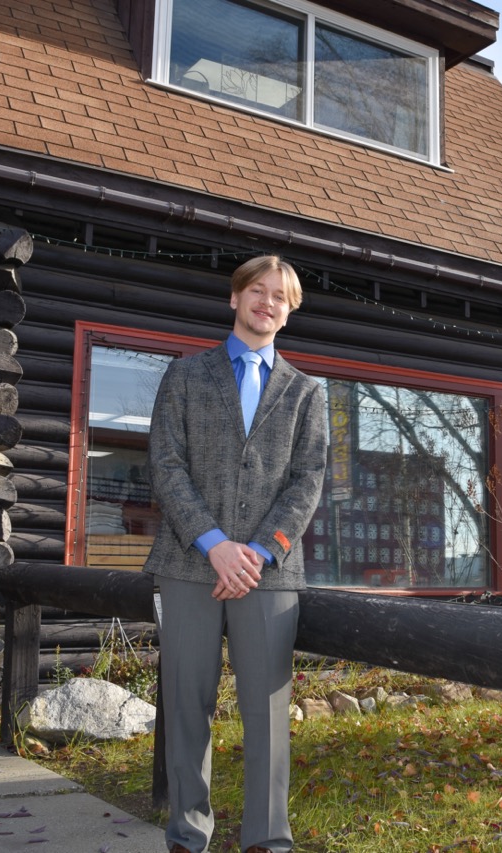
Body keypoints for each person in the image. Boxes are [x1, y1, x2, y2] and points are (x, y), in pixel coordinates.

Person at [143, 254, 328, 853]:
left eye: (280, 296)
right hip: (189, 564)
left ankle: (267, 840)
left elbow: (308, 482)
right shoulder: (186, 376)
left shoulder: (306, 393)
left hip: (268, 577)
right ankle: (187, 834)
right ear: (235, 298)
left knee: (268, 717)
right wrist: (215, 544)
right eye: (257, 290)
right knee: (186, 706)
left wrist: (256, 554)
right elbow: (165, 467)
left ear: (288, 311)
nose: (266, 302)